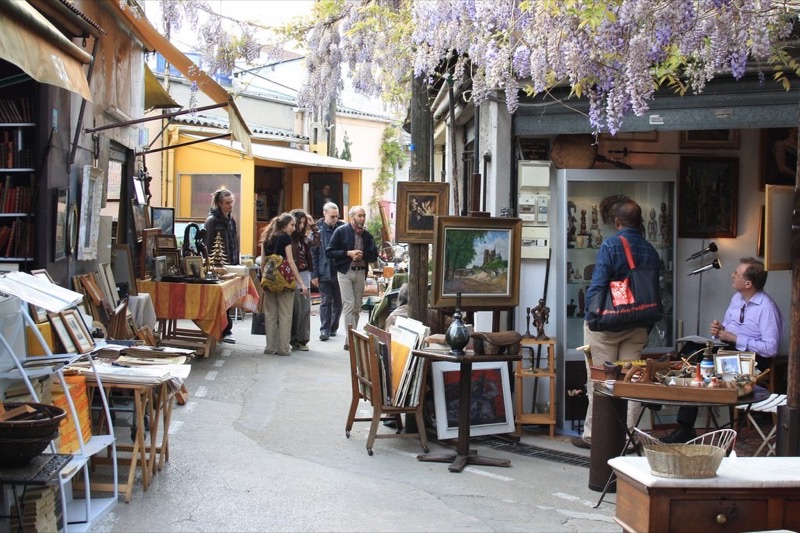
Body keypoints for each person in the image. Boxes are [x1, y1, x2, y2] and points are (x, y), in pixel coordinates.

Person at [572, 199, 662, 450]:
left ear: (617, 222)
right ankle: (627, 437)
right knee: (630, 380)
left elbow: (599, 284)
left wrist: (591, 315)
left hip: (608, 325)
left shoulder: (611, 244)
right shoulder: (650, 250)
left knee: (600, 380)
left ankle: (594, 435)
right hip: (638, 325)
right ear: (640, 222)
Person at [663, 257, 784, 443]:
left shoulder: (767, 308)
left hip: (752, 359)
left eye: (736, 273)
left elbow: (771, 348)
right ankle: (674, 408)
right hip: (728, 350)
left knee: (697, 363)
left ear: (748, 283)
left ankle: (683, 425)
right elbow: (727, 330)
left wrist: (736, 338)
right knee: (691, 350)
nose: (732, 275)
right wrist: (719, 331)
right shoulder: (737, 299)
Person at [326, 205, 378, 350]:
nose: (362, 218)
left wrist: (362, 254)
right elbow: (329, 251)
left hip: (360, 272)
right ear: (352, 217)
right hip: (345, 272)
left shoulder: (367, 235)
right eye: (359, 215)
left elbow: (374, 255)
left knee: (356, 307)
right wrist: (348, 253)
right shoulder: (341, 231)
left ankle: (353, 334)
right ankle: (351, 340)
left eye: (364, 215)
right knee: (348, 304)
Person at [260, 213, 308, 356]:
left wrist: (265, 279)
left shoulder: (266, 238)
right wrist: (301, 283)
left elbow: (263, 261)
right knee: (285, 314)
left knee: (270, 314)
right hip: (284, 281)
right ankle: (283, 348)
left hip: (269, 280)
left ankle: (270, 347)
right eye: (292, 225)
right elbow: (291, 261)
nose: (294, 228)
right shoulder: (285, 238)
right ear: (284, 225)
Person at [203, 188, 239, 344]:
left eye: (232, 202)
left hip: (231, 263)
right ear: (219, 204)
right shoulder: (212, 221)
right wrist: (210, 265)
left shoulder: (231, 220)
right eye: (227, 203)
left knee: (228, 300)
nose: (231, 205)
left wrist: (236, 261)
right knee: (220, 300)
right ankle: (223, 330)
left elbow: (234, 242)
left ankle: (226, 330)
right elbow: (207, 244)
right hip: (218, 265)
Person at [312, 202, 344, 341]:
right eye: (332, 216)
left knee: (338, 302)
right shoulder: (316, 230)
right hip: (324, 269)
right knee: (326, 301)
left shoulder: (342, 228)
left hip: (340, 270)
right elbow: (313, 253)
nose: (335, 219)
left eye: (337, 216)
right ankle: (324, 329)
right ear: (324, 214)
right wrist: (313, 274)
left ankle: (333, 327)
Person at [289, 209, 318, 351]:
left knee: (305, 309)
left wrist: (313, 226)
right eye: (299, 223)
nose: (301, 226)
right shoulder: (288, 238)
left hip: (305, 274)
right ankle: (293, 339)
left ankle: (302, 339)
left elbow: (318, 242)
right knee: (295, 310)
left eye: (303, 223)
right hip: (293, 276)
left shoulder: (303, 239)